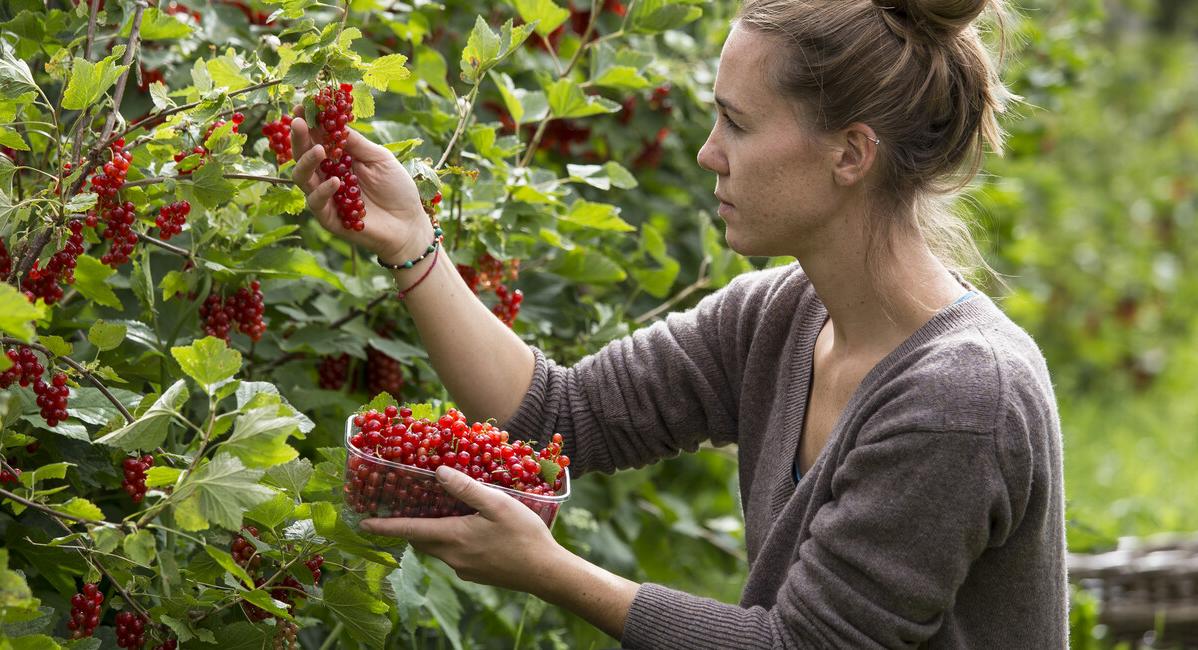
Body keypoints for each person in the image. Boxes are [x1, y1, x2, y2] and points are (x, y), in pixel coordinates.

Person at [290, 0, 1068, 646]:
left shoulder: (963, 397)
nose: (707, 154)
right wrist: (412, 243)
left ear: (850, 155)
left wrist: (552, 571)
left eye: (737, 123)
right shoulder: (780, 315)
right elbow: (559, 412)